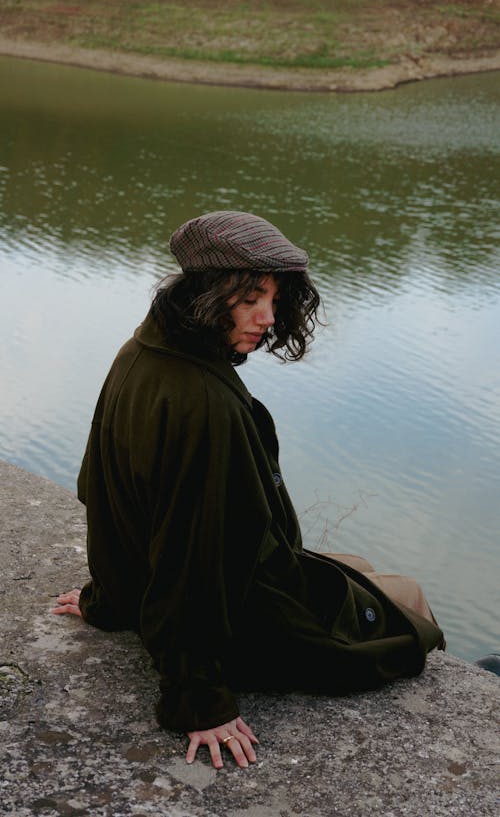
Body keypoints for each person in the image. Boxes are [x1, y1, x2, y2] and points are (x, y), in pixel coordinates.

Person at [54, 210, 444, 770]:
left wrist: (110, 600)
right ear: (205, 297)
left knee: (355, 565)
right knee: (408, 607)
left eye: (274, 298)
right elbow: (195, 556)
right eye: (249, 300)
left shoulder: (143, 352)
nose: (267, 317)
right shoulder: (203, 406)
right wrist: (199, 699)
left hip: (194, 591)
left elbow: (105, 490)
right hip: (239, 620)